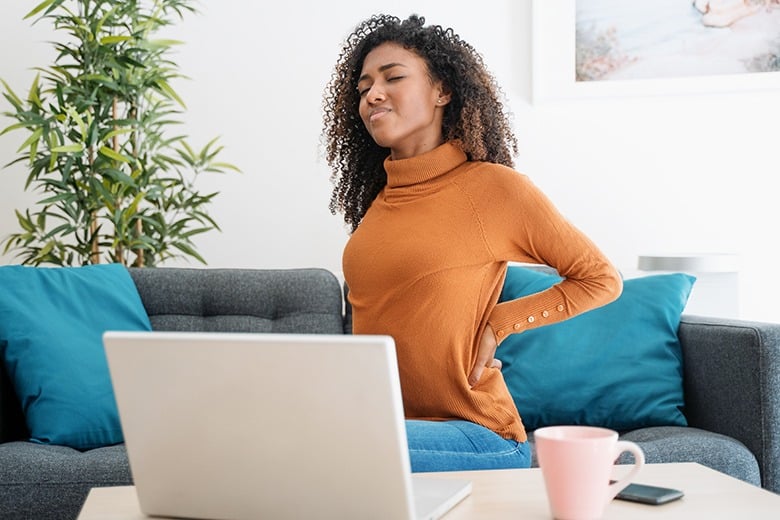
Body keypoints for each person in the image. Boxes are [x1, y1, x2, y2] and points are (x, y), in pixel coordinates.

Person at [322, 14, 623, 472]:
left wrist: (499, 322)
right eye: (363, 88)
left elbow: (601, 279)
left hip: (479, 435)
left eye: (392, 78)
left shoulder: (493, 190)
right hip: (386, 425)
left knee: (330, 452)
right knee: (276, 438)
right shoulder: (380, 202)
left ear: (442, 91)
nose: (372, 95)